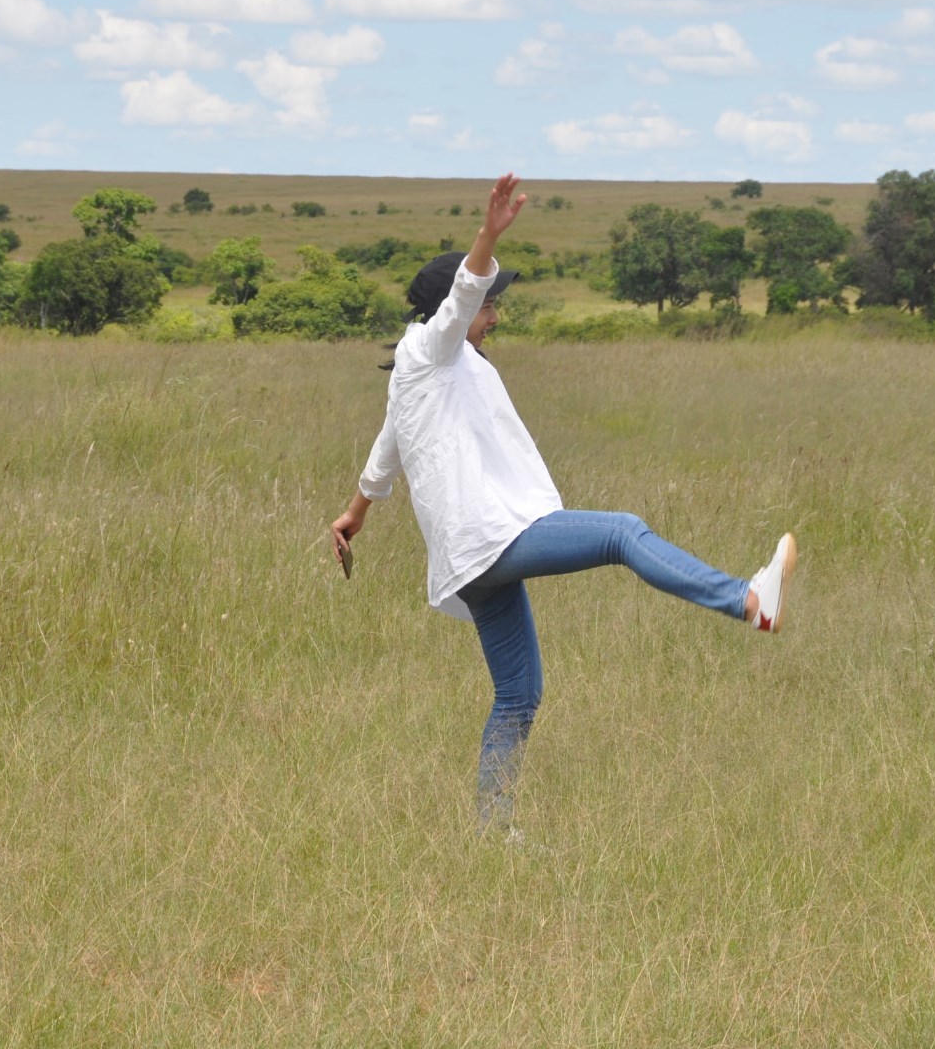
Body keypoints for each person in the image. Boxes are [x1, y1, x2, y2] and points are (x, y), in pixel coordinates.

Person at [330, 172, 797, 834]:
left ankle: (492, 832)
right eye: (491, 304)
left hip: (471, 559)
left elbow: (387, 448)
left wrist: (357, 512)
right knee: (622, 533)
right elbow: (462, 298)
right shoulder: (431, 347)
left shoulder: (431, 372)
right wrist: (488, 235)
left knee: (518, 695)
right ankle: (749, 603)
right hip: (491, 538)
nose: (495, 313)